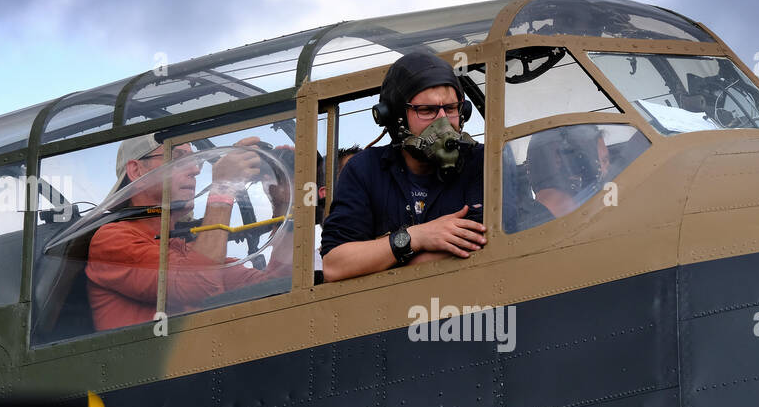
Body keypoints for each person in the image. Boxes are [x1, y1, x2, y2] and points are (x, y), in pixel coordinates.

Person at [85, 134, 292, 331]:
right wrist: (223, 188)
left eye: (196, 161)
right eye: (178, 159)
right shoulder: (112, 240)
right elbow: (200, 285)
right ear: (137, 170)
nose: (195, 170)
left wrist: (284, 199)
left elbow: (273, 286)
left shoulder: (185, 245)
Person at [320, 51, 486, 281]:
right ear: (397, 117)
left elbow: (481, 245)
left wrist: (379, 258)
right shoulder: (364, 169)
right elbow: (335, 265)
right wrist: (417, 237)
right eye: (427, 111)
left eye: (450, 108)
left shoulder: (483, 162)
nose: (443, 121)